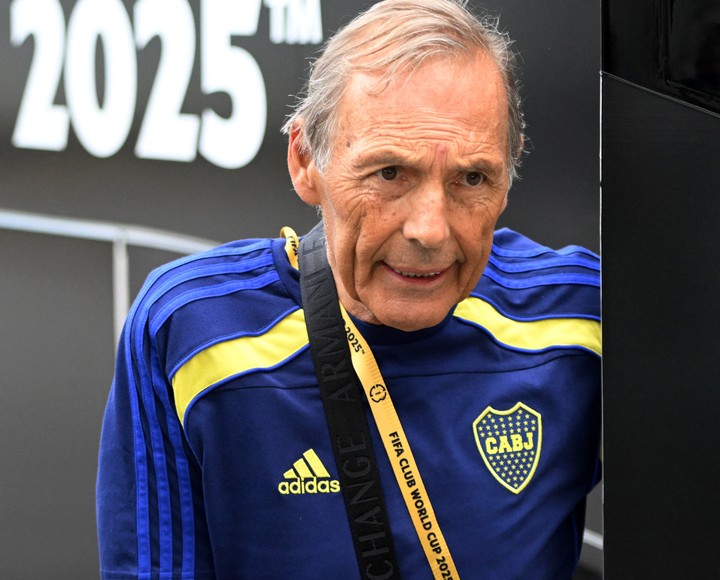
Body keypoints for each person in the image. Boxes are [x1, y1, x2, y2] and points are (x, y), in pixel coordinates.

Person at [96, 0, 601, 578]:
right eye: (389, 174)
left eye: (472, 178)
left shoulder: (581, 314)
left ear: (508, 178)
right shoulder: (190, 326)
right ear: (305, 160)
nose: (430, 231)